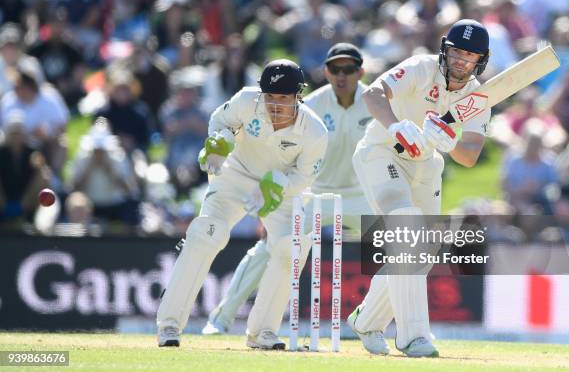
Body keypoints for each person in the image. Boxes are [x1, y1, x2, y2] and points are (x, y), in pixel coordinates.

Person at [201, 43, 383, 351]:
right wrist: (273, 199)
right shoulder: (309, 104)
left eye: (348, 69)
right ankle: (221, 316)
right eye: (335, 69)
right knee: (273, 247)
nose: (341, 75)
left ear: (360, 72)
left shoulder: (375, 102)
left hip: (358, 194)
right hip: (310, 190)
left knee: (401, 244)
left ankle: (403, 326)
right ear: (326, 72)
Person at [156, 59, 328, 349]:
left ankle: (262, 332)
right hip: (234, 177)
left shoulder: (315, 130)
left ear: (299, 95)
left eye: (283, 98)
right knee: (206, 233)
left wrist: (275, 186)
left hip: (280, 187)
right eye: (270, 97)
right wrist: (219, 143)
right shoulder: (247, 100)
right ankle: (169, 326)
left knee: (291, 246)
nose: (275, 105)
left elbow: (303, 177)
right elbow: (219, 121)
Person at [348, 19, 492, 357]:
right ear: (445, 49)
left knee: (421, 252)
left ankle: (366, 320)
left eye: (469, 56)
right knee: (407, 227)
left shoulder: (477, 95)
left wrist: (449, 141)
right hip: (382, 152)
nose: (460, 60)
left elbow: (470, 156)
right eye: (456, 51)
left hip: (427, 164)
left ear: (480, 60)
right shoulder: (421, 67)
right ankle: (413, 336)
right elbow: (373, 93)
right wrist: (397, 126)